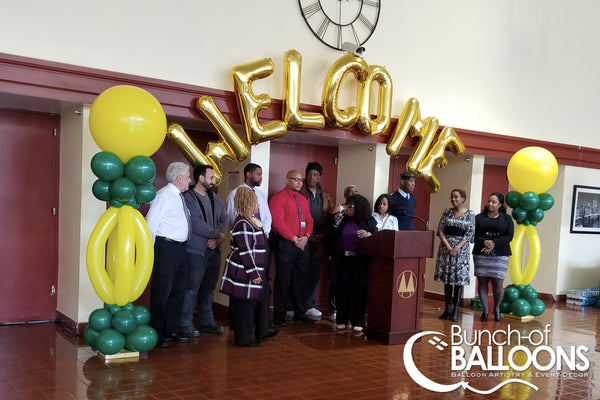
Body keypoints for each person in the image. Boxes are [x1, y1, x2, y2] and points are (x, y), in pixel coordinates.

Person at [220, 187, 279, 347]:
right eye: (256, 203)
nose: (258, 207)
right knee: (244, 308)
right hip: (244, 272)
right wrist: (254, 274)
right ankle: (243, 339)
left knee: (249, 305)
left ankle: (246, 336)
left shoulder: (249, 221)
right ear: (248, 203)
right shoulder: (242, 223)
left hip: (251, 271)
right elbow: (245, 251)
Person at [145, 162, 192, 348]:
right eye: (188, 176)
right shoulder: (163, 196)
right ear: (180, 177)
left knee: (178, 291)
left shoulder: (180, 196)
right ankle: (157, 332)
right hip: (166, 249)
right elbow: (151, 226)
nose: (190, 179)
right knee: (162, 291)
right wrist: (153, 253)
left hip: (180, 249)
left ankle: (169, 328)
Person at [182, 164, 228, 336]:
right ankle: (185, 324)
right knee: (191, 287)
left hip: (214, 251)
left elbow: (224, 218)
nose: (213, 181)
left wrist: (219, 238)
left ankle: (207, 322)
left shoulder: (215, 198)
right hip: (195, 251)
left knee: (209, 288)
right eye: (211, 177)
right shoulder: (188, 198)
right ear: (200, 178)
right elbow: (195, 223)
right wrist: (217, 235)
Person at [269, 170, 314, 326]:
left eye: (301, 180)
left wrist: (306, 237)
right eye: (295, 180)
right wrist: (294, 238)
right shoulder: (278, 198)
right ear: (287, 180)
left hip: (303, 244)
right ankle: (279, 314)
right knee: (283, 280)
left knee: (301, 280)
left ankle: (299, 312)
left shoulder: (303, 199)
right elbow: (277, 222)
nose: (299, 183)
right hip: (287, 244)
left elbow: (309, 220)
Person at [328, 194, 377, 332]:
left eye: (351, 206)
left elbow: (377, 238)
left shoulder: (369, 220)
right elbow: (331, 237)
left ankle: (358, 321)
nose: (348, 208)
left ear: (359, 207)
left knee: (359, 291)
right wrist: (334, 224)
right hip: (343, 260)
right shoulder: (342, 219)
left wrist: (368, 235)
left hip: (360, 262)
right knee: (342, 289)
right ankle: (342, 319)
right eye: (347, 205)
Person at [434, 189, 475, 322]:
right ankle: (447, 309)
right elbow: (440, 230)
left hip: (461, 250)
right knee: (447, 280)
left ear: (463, 198)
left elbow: (469, 234)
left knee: (458, 280)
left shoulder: (470, 214)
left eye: (456, 197)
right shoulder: (447, 212)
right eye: (452, 197)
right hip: (446, 249)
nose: (454, 199)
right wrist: (448, 247)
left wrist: (457, 247)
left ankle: (456, 310)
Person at [300, 161, 334, 321]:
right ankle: (295, 305)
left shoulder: (325, 195)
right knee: (299, 272)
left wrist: (322, 235)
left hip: (320, 239)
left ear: (319, 177)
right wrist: (308, 235)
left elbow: (330, 219)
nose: (311, 177)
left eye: (315, 174)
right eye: (309, 174)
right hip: (302, 238)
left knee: (314, 274)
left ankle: (309, 305)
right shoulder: (300, 192)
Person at [473, 192, 515, 322]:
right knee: (482, 282)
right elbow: (472, 235)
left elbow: (509, 236)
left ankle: (496, 309)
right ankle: (485, 311)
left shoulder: (506, 218)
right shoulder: (478, 218)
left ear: (500, 205)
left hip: (500, 253)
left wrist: (493, 243)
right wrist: (484, 242)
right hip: (481, 253)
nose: (490, 204)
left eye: (494, 202)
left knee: (498, 283)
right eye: (489, 201)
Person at [226, 163, 272, 236]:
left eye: (261, 175)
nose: (261, 177)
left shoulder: (261, 194)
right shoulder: (235, 193)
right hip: (244, 234)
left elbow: (267, 216)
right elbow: (231, 216)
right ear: (248, 174)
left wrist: (265, 232)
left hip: (262, 235)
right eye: (258, 174)